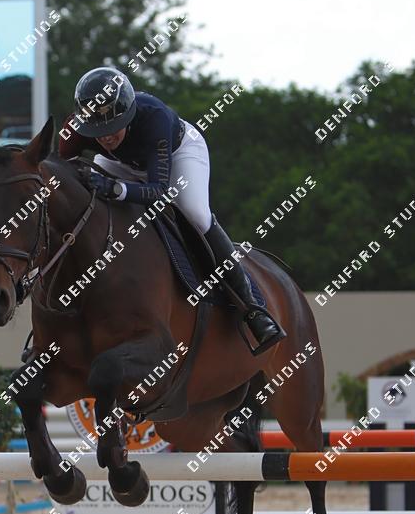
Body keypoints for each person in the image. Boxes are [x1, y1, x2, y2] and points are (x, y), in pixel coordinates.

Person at [56, 66, 285, 354]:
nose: (105, 137)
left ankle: (253, 307)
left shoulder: (155, 119)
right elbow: (58, 170)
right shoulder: (77, 128)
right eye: (97, 131)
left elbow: (158, 191)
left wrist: (116, 189)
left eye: (112, 127)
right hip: (119, 164)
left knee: (195, 213)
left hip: (178, 155)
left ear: (127, 114)